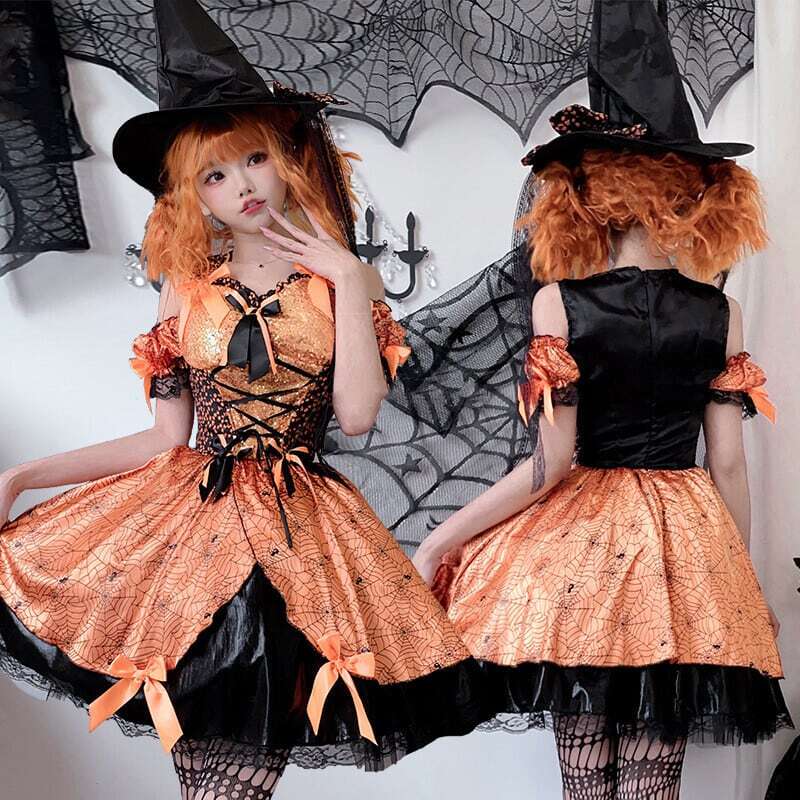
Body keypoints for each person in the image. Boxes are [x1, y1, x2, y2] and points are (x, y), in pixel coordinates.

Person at [0, 2, 492, 797]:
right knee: (203, 779)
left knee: (231, 780)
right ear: (194, 194)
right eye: (215, 175)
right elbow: (163, 439)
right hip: (193, 540)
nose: (243, 186)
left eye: (254, 158)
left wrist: (346, 278)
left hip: (298, 543)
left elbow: (357, 415)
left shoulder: (341, 282)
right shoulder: (186, 288)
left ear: (285, 156)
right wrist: (23, 477)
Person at [412, 3, 792, 798]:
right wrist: (740, 584)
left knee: (586, 781)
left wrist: (442, 537)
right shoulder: (721, 311)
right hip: (683, 549)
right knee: (654, 784)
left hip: (580, 552)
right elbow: (727, 462)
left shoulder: (560, 303)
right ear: (692, 192)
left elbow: (551, 464)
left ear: (585, 193)